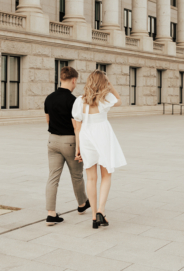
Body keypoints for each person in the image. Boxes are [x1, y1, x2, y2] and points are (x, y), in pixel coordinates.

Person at [72, 70, 126, 229]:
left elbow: (77, 125)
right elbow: (119, 100)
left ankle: (94, 216)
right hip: (103, 136)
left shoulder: (78, 101)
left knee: (91, 178)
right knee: (106, 174)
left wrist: (78, 148)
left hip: (86, 137)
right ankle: (102, 209)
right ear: (103, 83)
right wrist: (109, 84)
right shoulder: (105, 99)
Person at [44, 66, 90, 226]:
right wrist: (79, 148)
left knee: (53, 177)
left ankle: (51, 214)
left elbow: (48, 121)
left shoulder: (48, 98)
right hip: (70, 141)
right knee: (76, 175)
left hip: (52, 141)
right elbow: (77, 127)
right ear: (73, 80)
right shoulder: (74, 101)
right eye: (76, 82)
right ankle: (82, 204)